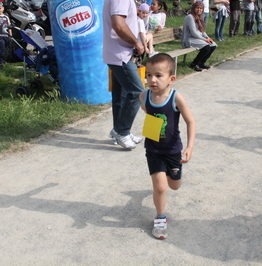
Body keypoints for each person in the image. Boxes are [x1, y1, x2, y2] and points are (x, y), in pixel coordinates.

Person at [139, 53, 196, 240]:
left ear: (171, 79)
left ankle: (173, 176)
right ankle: (160, 218)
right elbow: (147, 109)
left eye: (158, 75)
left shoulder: (176, 98)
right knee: (161, 187)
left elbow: (190, 122)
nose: (152, 80)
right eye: (148, 75)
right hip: (153, 150)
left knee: (174, 185)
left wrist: (189, 147)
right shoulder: (144, 96)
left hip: (173, 150)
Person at [103, 0, 145, 149]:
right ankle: (122, 131)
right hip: (121, 55)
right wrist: (136, 43)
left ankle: (119, 132)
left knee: (120, 96)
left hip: (119, 53)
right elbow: (119, 25)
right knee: (137, 92)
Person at [182, 1, 217, 72]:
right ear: (194, 8)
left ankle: (201, 62)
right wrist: (204, 39)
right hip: (189, 39)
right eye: (197, 8)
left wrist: (208, 37)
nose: (199, 10)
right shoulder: (190, 17)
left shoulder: (199, 17)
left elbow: (202, 31)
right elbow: (193, 33)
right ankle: (194, 63)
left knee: (213, 45)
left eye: (201, 8)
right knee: (206, 47)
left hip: (197, 38)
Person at [0, 1, 12, 69]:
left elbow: (9, 27)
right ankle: (0, 62)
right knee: (2, 49)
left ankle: (5, 61)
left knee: (6, 49)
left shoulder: (6, 17)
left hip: (6, 35)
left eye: (0, 8)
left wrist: (10, 35)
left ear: (3, 8)